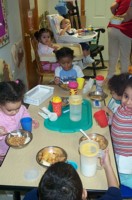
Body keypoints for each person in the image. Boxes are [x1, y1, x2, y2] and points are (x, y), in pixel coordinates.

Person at [23, 150, 122, 200]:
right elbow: (115, 192)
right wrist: (107, 166)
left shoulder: (31, 196)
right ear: (84, 194)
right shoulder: (37, 193)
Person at [0, 79, 39, 165]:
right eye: (10, 110)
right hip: (3, 152)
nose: (15, 112)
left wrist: (29, 120)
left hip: (19, 143)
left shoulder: (21, 108)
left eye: (17, 108)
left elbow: (24, 113)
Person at [111, 74, 132, 188]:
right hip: (116, 148)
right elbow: (116, 117)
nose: (128, 102)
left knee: (122, 178)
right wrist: (109, 120)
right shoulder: (122, 107)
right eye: (126, 96)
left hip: (125, 157)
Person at [106, 0, 132, 80]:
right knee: (124, 57)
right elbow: (128, 16)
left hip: (112, 27)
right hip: (125, 29)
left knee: (113, 55)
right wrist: (121, 18)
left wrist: (117, 16)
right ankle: (124, 80)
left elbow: (112, 7)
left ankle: (110, 77)